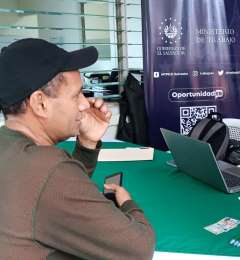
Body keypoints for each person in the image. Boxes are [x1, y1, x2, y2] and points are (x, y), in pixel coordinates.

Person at [0, 38, 155, 259]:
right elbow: (139, 249)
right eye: (76, 95)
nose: (84, 104)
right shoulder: (48, 168)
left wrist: (87, 144)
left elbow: (49, 197)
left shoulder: (9, 147)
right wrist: (129, 205)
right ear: (40, 103)